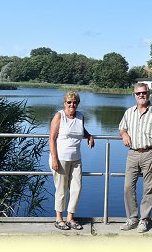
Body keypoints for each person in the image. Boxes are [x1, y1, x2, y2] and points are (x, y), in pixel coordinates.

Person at [118, 83, 152, 233]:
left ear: (149, 94)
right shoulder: (129, 112)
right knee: (128, 187)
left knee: (148, 189)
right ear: (134, 95)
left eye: (144, 93)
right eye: (138, 93)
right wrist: (124, 134)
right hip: (133, 154)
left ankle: (144, 220)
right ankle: (132, 218)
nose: (141, 95)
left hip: (150, 154)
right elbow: (121, 127)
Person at [49, 91, 95, 230]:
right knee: (61, 189)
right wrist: (54, 159)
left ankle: (70, 218)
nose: (72, 105)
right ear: (64, 103)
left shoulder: (80, 116)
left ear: (78, 104)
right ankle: (59, 219)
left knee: (76, 188)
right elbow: (51, 139)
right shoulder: (59, 116)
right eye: (69, 102)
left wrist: (89, 136)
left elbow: (80, 130)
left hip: (76, 159)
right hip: (60, 158)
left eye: (74, 102)